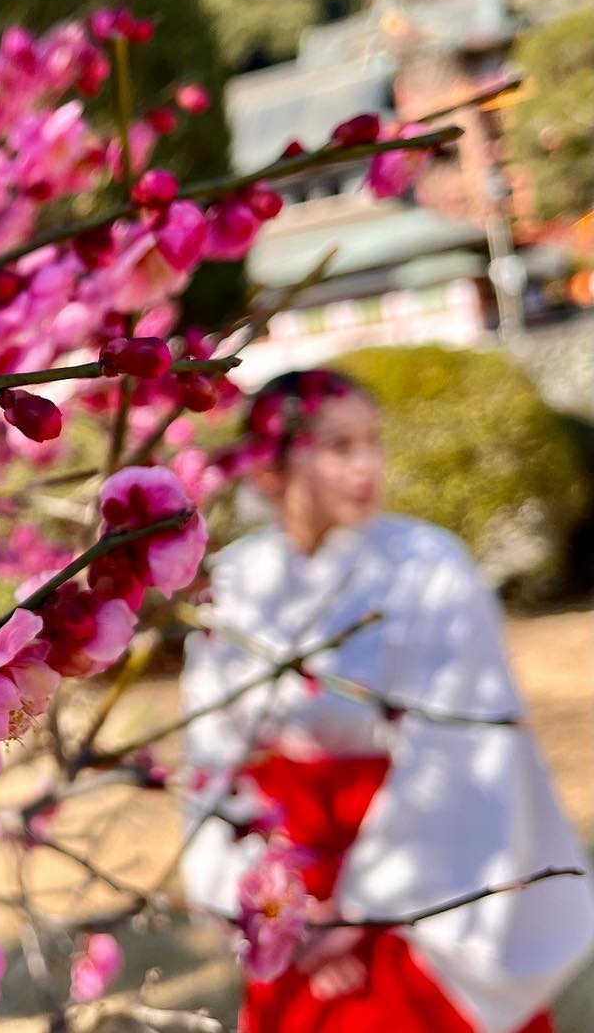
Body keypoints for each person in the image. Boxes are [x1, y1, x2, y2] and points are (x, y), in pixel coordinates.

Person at [179, 369, 594, 1033]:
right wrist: (268, 906)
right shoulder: (232, 584)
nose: (366, 464)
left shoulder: (431, 566)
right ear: (268, 467)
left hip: (418, 882)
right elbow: (212, 756)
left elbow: (465, 751)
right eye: (339, 446)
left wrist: (356, 913)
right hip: (286, 891)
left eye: (373, 441)